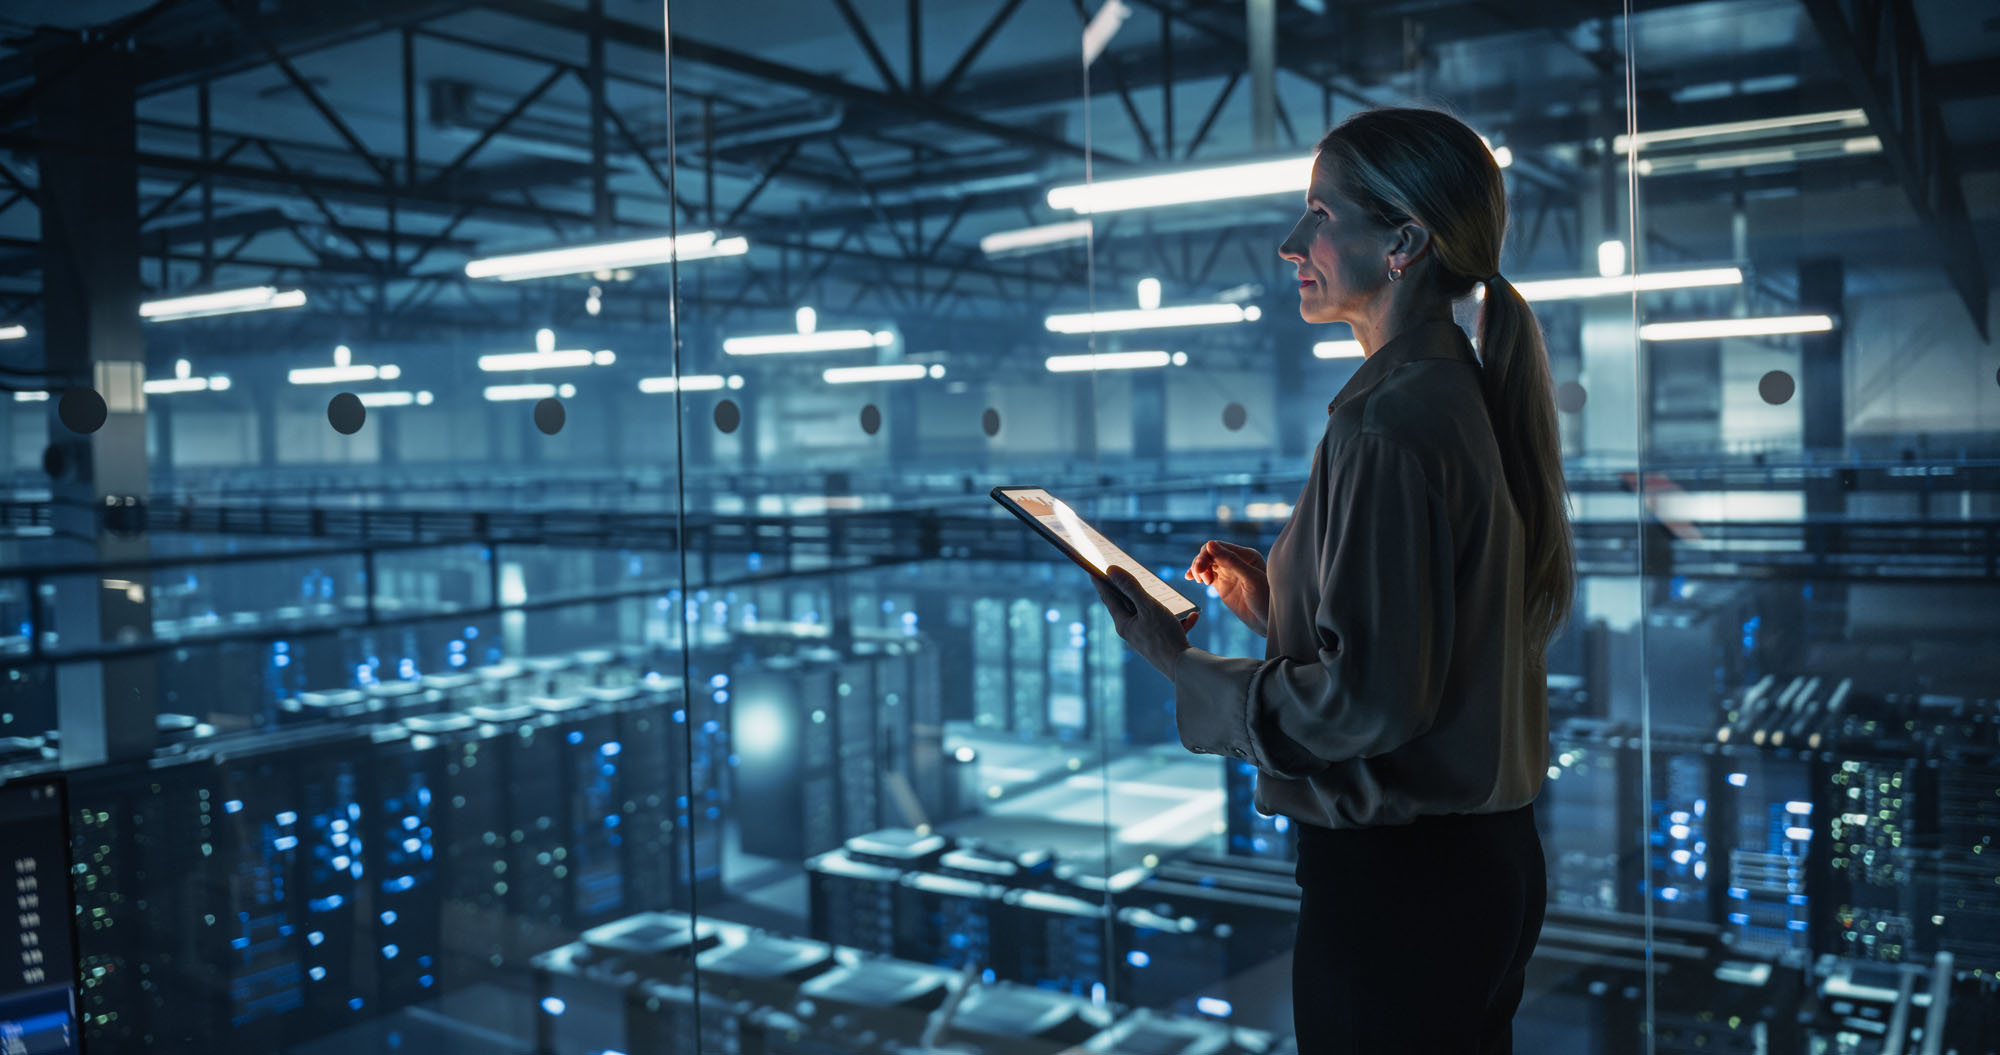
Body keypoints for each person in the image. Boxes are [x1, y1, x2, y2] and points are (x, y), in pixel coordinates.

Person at [1090, 107, 1576, 1054]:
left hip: (1402, 890)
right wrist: (1277, 601)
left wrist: (1176, 662)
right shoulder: (1454, 396)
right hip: (1477, 871)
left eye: (1319, 213)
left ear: (1403, 241)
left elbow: (1370, 703)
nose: (1290, 244)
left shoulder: (1389, 423)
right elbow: (1433, 640)